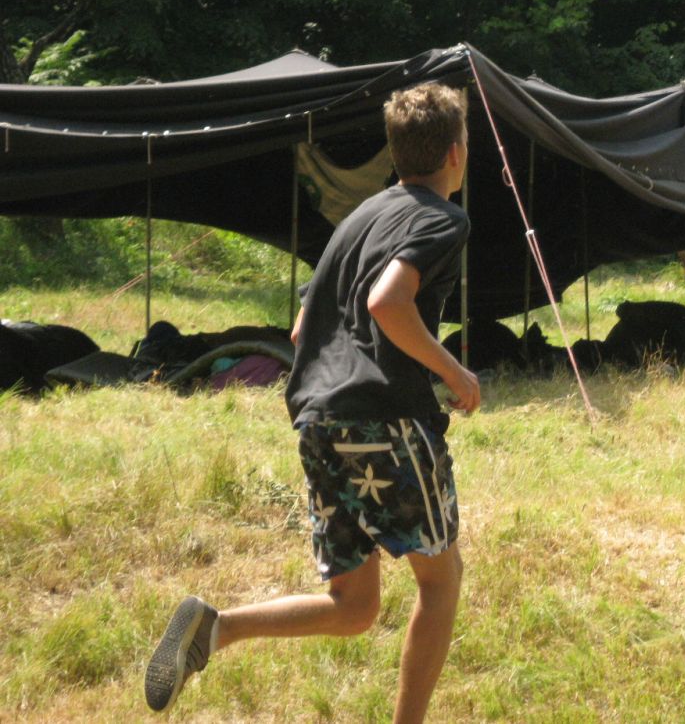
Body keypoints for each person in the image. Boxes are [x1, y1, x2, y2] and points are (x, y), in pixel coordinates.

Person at [144, 82, 480, 723]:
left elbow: (302, 331)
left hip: (318, 421)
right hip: (386, 420)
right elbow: (387, 302)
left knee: (354, 608)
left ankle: (215, 628)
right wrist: (454, 371)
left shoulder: (359, 217)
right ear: (456, 153)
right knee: (441, 582)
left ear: (395, 153)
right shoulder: (443, 218)